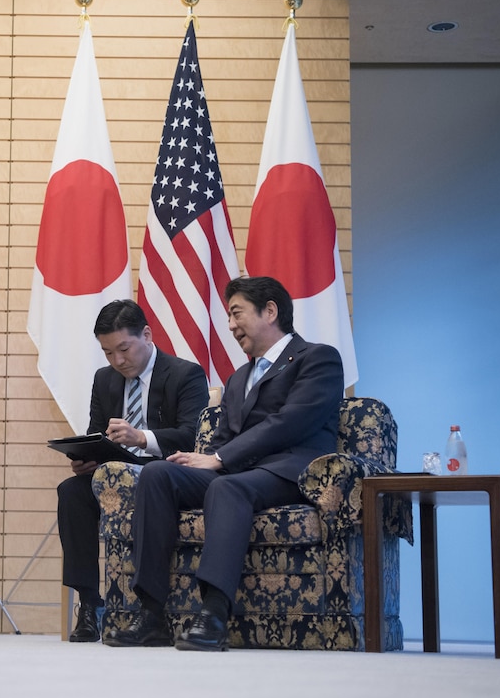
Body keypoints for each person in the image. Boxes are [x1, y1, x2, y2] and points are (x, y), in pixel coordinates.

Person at [106, 276, 344, 650]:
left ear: (270, 311)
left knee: (225, 485)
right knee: (156, 474)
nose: (230, 325)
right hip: (240, 472)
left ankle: (214, 615)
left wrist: (218, 459)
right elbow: (224, 438)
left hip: (290, 472)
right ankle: (151, 614)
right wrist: (197, 459)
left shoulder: (318, 358)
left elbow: (291, 422)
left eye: (236, 314)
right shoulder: (239, 378)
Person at [57, 299, 209, 642]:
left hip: (163, 474)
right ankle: (90, 605)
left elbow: (193, 435)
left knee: (150, 481)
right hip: (114, 477)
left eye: (123, 349)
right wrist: (87, 458)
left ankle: (148, 610)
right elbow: (97, 433)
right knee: (71, 492)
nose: (118, 360)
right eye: (108, 353)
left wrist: (142, 438)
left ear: (147, 334)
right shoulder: (104, 379)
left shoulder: (185, 374)